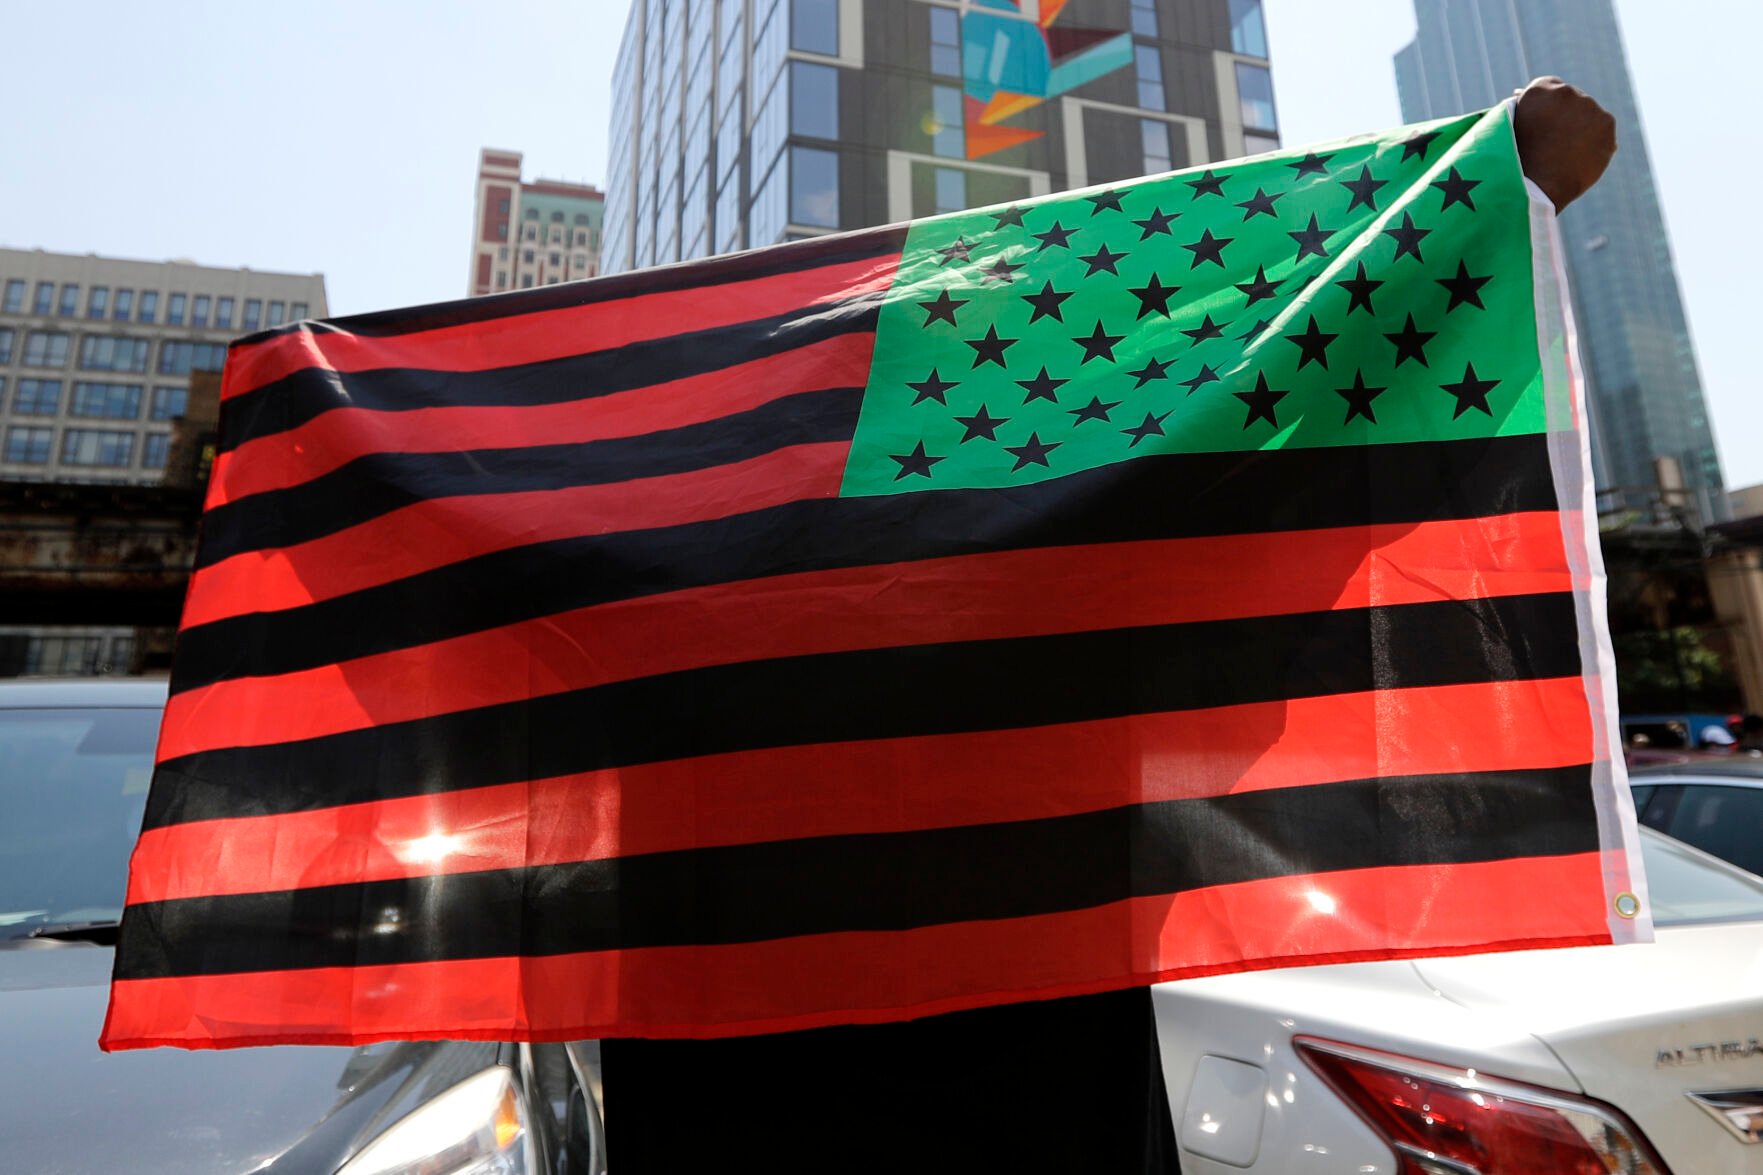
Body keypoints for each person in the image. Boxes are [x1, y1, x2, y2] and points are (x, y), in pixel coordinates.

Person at [602, 77, 1620, 1174]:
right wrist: (1478, 185)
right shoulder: (1039, 646)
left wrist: (1466, 188)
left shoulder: (637, 660)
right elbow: (1244, 503)